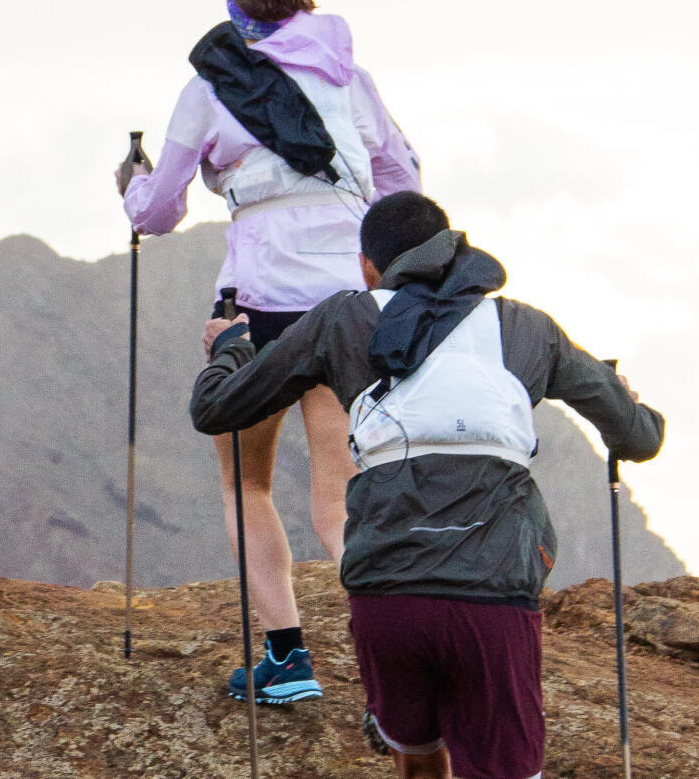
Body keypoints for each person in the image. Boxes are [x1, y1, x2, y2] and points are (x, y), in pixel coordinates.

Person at [189, 192, 666, 779]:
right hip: (494, 593)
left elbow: (216, 410)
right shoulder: (526, 328)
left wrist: (231, 351)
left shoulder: (342, 319)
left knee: (416, 759)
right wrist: (630, 409)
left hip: (387, 595)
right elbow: (640, 440)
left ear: (367, 266)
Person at [115, 0, 422, 706]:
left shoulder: (211, 86)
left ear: (235, 8)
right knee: (340, 498)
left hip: (259, 306)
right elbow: (404, 181)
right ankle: (397, 678)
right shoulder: (354, 82)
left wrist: (133, 184)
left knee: (246, 483)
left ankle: (287, 661)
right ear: (303, 2)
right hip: (348, 305)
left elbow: (158, 212)